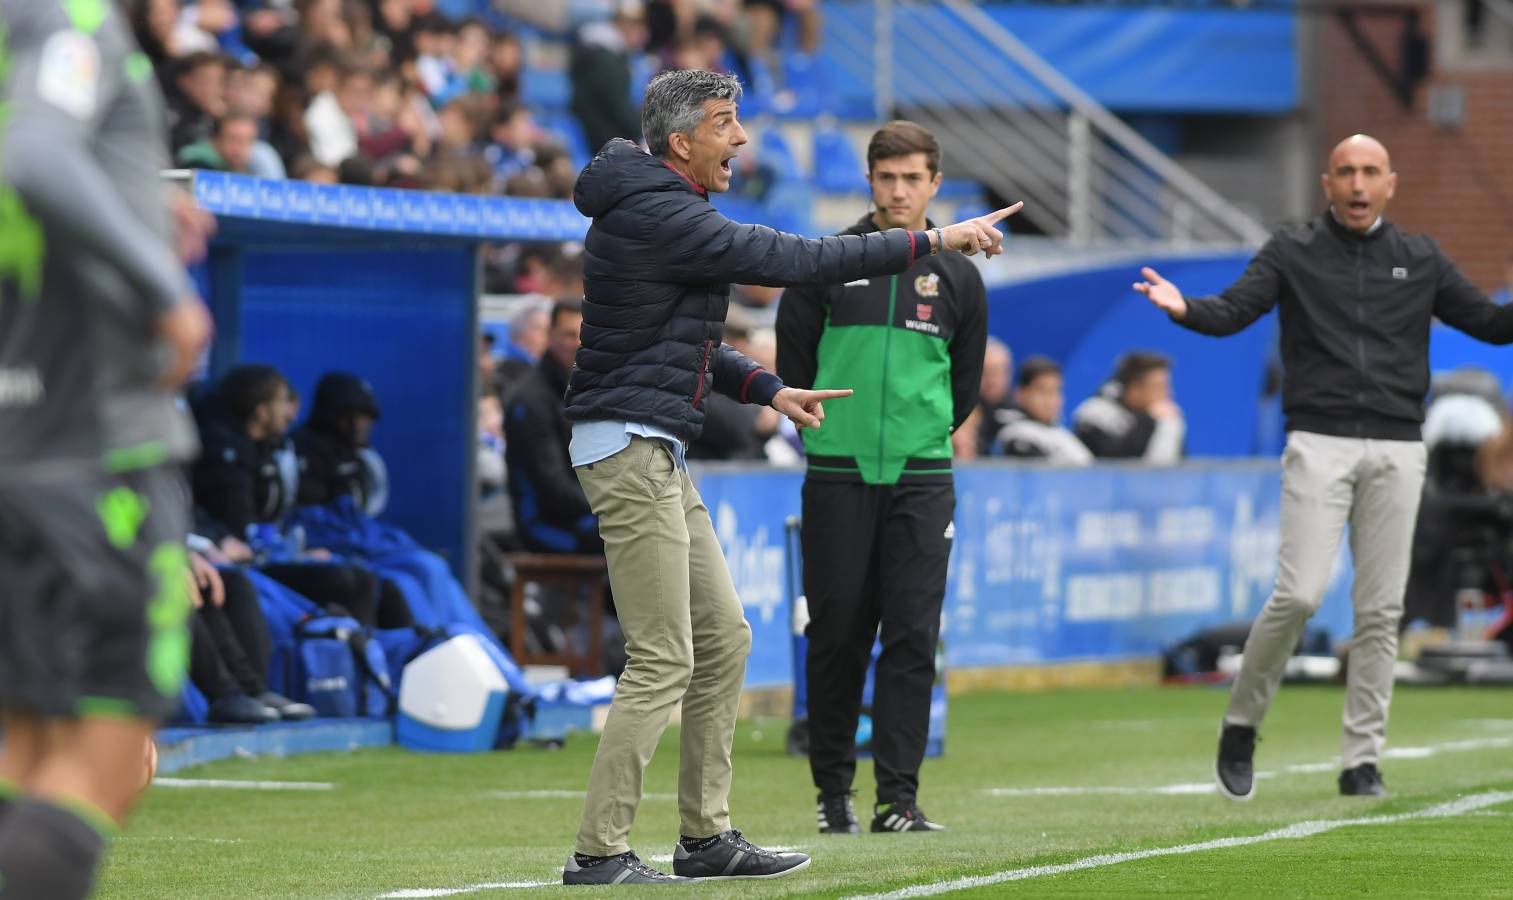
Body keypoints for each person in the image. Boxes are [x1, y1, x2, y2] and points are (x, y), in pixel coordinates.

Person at [560, 70, 1020, 885]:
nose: (741, 139)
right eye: (726, 124)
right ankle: (600, 852)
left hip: (651, 446)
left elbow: (686, 343)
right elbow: (794, 257)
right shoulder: (662, 211)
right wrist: (938, 240)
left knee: (725, 638)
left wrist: (768, 387)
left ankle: (704, 838)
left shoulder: (659, 208)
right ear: (681, 142)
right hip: (628, 449)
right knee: (664, 657)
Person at [1134, 133, 1513, 801]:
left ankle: (1360, 760)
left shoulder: (1418, 256)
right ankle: (1241, 723)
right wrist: (1183, 308)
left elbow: (1489, 323)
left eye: (1370, 172)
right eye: (1346, 172)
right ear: (1326, 183)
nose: (1358, 184)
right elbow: (1230, 311)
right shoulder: (1292, 249)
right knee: (1299, 594)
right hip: (1318, 441)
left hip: (1398, 447)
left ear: (1389, 183)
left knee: (1379, 610)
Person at [0, 0, 213, 896]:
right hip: (94, 451)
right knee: (105, 757)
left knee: (20, 753)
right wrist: (162, 283)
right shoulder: (74, 18)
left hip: (19, 440)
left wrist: (127, 199)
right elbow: (37, 158)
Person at [775, 120, 988, 835]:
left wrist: (918, 436)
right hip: (835, 474)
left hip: (923, 478)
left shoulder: (961, 274)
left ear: (934, 184)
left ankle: (898, 799)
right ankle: (831, 793)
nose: (898, 191)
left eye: (912, 178)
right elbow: (793, 369)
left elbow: (965, 389)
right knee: (836, 634)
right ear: (869, 180)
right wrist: (837, 435)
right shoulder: (825, 261)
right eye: (885, 177)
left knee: (910, 637)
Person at [503, 298, 602, 555]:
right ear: (549, 336)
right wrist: (609, 505)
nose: (578, 343)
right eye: (569, 335)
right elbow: (552, 488)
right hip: (542, 524)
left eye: (583, 334)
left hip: (581, 514)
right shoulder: (531, 400)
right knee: (628, 538)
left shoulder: (585, 388)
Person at [1072, 351, 1185, 463]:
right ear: (1134, 389)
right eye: (1158, 387)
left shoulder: (1165, 418)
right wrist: (1147, 420)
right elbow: (1113, 464)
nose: (1167, 394)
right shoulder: (1094, 414)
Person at [992, 356, 1092, 465]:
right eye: (1042, 390)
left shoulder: (1064, 434)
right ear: (1021, 394)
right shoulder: (1015, 435)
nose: (1050, 399)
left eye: (1055, 390)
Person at [976, 336, 1013, 456]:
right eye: (986, 372)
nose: (991, 381)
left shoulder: (1019, 416)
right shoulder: (961, 412)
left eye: (996, 372)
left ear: (1008, 374)